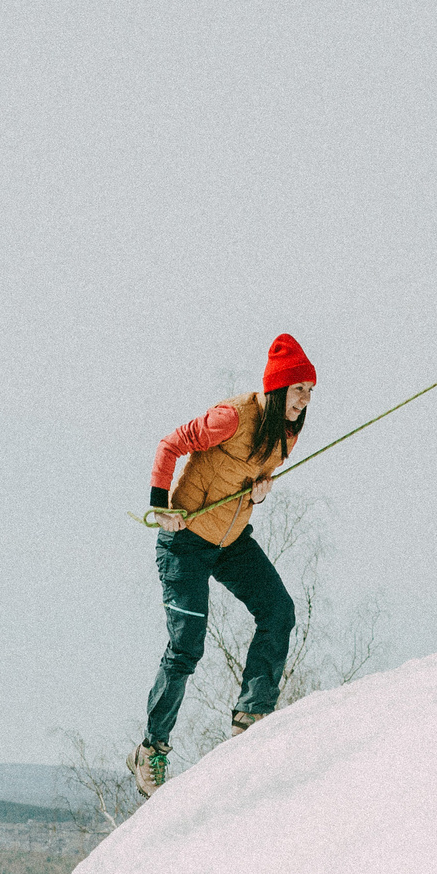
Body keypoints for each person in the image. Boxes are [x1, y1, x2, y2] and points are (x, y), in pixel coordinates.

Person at [130, 335, 315, 796]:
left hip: (231, 541)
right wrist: (160, 505)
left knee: (279, 610)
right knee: (187, 646)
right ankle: (151, 748)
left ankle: (251, 713)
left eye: (311, 391)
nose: (305, 400)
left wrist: (262, 489)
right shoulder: (231, 417)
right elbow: (170, 444)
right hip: (186, 542)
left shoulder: (288, 432)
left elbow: (253, 475)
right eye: (299, 390)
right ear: (278, 388)